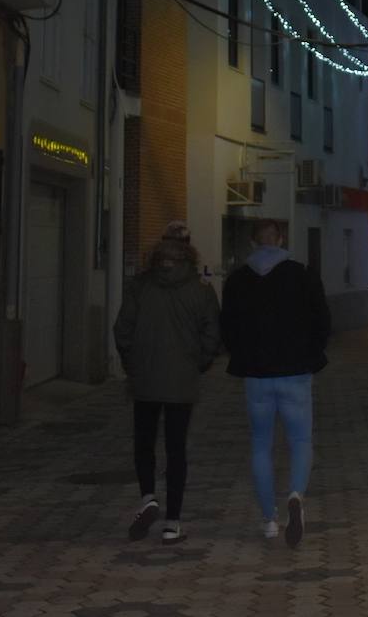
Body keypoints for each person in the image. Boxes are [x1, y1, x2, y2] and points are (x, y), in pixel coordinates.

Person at [221, 218, 331, 546]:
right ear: (281, 240)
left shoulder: (237, 280)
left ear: (253, 243)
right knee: (300, 440)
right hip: (296, 371)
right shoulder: (302, 275)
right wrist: (312, 353)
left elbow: (227, 326)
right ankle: (295, 494)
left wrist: (242, 355)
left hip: (256, 375)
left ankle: (269, 519)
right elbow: (322, 319)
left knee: (260, 444)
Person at [113, 226, 220, 545]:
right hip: (182, 381)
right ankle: (172, 523)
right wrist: (198, 364)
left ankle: (148, 496)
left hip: (145, 380)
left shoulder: (139, 286)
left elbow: (122, 331)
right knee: (176, 449)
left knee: (144, 443)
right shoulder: (200, 290)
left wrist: (133, 365)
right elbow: (212, 334)